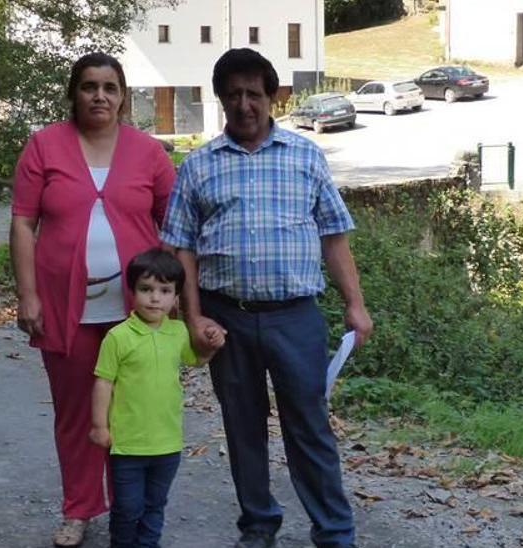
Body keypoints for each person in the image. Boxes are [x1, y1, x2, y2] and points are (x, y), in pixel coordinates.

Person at [159, 48, 375, 548]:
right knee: (242, 427)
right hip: (225, 317)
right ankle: (258, 526)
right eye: (232, 94)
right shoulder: (197, 167)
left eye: (253, 93)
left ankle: (334, 531)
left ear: (271, 97)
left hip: (294, 318)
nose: (244, 104)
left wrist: (355, 304)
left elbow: (334, 236)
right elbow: (182, 249)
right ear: (220, 100)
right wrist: (192, 318)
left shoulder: (305, 156)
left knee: (309, 426)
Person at [10, 52, 176, 548]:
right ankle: (79, 509)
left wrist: (183, 304)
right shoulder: (44, 146)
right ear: (74, 93)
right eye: (89, 86)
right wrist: (28, 295)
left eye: (109, 87)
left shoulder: (149, 153)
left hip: (137, 310)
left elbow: (177, 227)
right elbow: (23, 222)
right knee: (77, 413)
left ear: (123, 96)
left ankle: (130, 508)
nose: (99, 96)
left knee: (133, 411)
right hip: (67, 308)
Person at [89, 248, 226, 548]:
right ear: (133, 291)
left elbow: (197, 360)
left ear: (176, 296)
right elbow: (103, 382)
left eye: (165, 291)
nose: (155, 298)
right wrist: (99, 426)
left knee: (155, 504)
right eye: (146, 289)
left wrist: (212, 344)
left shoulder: (177, 332)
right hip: (127, 444)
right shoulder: (118, 336)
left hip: (167, 443)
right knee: (127, 507)